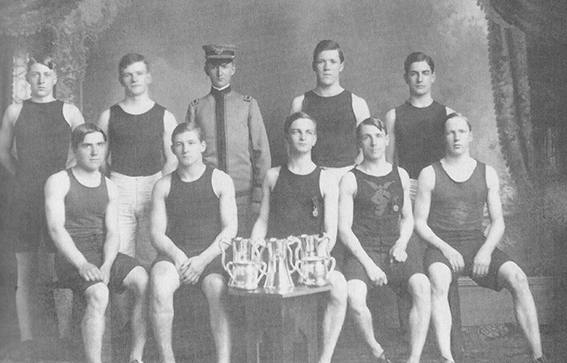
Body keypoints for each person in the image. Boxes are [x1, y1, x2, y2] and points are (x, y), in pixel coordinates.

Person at [414, 113, 554, 363]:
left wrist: (486, 251)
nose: (456, 137)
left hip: (476, 244)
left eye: (461, 132)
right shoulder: (429, 173)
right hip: (441, 246)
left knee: (519, 278)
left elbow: (498, 221)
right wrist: (446, 248)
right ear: (444, 137)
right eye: (450, 132)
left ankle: (538, 360)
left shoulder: (486, 172)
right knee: (438, 281)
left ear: (470, 135)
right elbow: (420, 223)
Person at [45, 124, 149, 363]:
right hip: (71, 258)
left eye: (100, 145)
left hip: (103, 255)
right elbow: (56, 230)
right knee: (100, 293)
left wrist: (106, 264)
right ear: (75, 148)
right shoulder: (59, 181)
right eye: (87, 145)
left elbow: (113, 233)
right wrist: (82, 264)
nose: (94, 152)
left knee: (144, 280)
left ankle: (135, 360)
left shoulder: (110, 187)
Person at [0, 53, 84, 359]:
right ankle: (27, 340)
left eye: (47, 74)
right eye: (35, 74)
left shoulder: (70, 111)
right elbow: (3, 152)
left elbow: (85, 150)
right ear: (27, 78)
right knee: (25, 269)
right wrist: (25, 177)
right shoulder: (15, 110)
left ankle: (62, 338)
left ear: (56, 78)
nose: (41, 80)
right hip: (24, 197)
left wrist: (60, 178)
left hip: (59, 198)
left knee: (60, 266)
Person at [251, 112, 348, 363]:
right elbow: (262, 221)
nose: (302, 136)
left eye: (308, 132)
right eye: (296, 131)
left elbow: (329, 231)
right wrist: (255, 249)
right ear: (286, 138)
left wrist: (318, 256)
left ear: (315, 139)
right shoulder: (272, 176)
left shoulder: (326, 179)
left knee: (340, 288)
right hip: (277, 259)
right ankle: (266, 362)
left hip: (311, 258)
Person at [338, 117, 435, 363]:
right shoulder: (350, 179)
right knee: (354, 297)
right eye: (366, 137)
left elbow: (407, 218)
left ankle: (413, 362)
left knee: (422, 285)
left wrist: (402, 243)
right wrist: (369, 266)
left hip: (394, 247)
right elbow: (344, 230)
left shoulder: (400, 174)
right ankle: (377, 353)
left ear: (386, 139)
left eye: (378, 136)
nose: (373, 142)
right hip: (363, 250)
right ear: (359, 143)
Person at [149, 123, 237, 363]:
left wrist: (201, 260)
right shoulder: (163, 185)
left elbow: (230, 228)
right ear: (173, 149)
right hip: (177, 255)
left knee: (216, 287)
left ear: (202, 146)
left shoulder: (220, 179)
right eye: (179, 144)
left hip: (211, 254)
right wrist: (178, 256)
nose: (185, 149)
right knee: (160, 282)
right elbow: (156, 233)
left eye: (190, 143)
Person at [97, 52, 178, 264]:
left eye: (139, 73)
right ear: (120, 80)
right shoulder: (108, 115)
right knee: (120, 255)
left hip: (153, 185)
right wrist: (114, 183)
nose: (134, 79)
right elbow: (100, 160)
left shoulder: (165, 116)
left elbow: (172, 160)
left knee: (151, 253)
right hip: (119, 186)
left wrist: (160, 189)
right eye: (128, 75)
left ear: (148, 77)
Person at [186, 44, 271, 236]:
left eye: (224, 66)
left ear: (233, 69)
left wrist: (258, 196)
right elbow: (189, 154)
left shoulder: (247, 105)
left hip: (243, 194)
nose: (219, 71)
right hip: (208, 194)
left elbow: (262, 152)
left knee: (241, 250)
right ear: (206, 69)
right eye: (214, 66)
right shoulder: (197, 108)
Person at [290, 39, 370, 180]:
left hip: (348, 176)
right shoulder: (300, 103)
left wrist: (352, 176)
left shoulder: (357, 103)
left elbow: (367, 147)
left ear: (341, 66)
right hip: (311, 177)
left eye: (333, 62)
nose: (327, 67)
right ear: (314, 66)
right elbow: (291, 147)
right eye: (321, 62)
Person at [386, 51, 454, 195]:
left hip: (440, 186)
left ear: (433, 77)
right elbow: (388, 163)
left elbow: (456, 158)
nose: (420, 79)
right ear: (406, 78)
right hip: (408, 186)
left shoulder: (447, 113)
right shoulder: (394, 115)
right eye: (414, 74)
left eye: (425, 73)